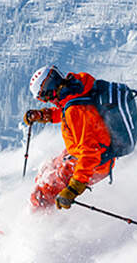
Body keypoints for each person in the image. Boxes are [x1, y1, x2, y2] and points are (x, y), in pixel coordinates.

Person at [23, 65, 121, 210]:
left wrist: (75, 187)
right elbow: (69, 112)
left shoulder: (75, 110)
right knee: (46, 169)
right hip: (88, 151)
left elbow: (90, 152)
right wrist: (44, 115)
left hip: (94, 163)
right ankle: (36, 208)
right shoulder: (79, 87)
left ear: (46, 95)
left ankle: (34, 221)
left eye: (44, 97)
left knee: (44, 192)